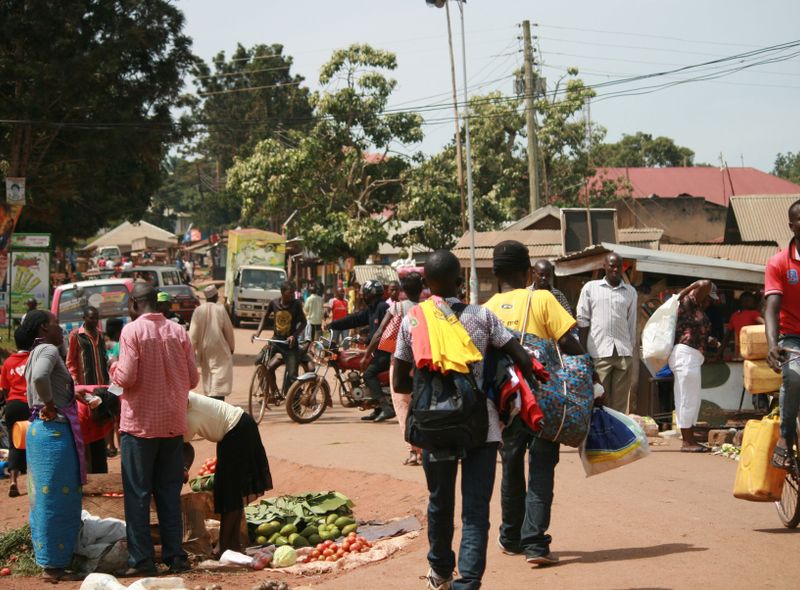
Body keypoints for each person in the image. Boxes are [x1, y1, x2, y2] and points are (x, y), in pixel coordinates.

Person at [393, 250, 536, 590]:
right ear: (461, 283)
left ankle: (440, 571)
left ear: (426, 284)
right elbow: (521, 357)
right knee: (475, 511)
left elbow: (399, 381)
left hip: (434, 425)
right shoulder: (482, 317)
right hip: (480, 425)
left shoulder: (414, 319)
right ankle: (468, 582)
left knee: (440, 503)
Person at [485, 241, 587, 566]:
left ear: (496, 272)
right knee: (542, 467)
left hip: (506, 404)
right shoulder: (541, 298)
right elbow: (570, 343)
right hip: (545, 401)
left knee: (511, 467)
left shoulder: (486, 308)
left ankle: (509, 537)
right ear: (528, 271)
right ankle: (535, 545)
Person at [113, 282, 199, 576]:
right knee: (168, 493)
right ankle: (176, 556)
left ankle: (143, 560)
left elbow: (126, 376)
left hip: (139, 427)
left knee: (138, 494)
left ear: (135, 304)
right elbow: (193, 378)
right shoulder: (178, 331)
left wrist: (113, 366)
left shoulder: (132, 331)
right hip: (172, 426)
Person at [22, 310, 85, 583]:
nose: (61, 329)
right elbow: (39, 378)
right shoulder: (48, 349)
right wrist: (50, 404)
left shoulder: (35, 351)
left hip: (39, 433)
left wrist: (70, 394)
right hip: (53, 434)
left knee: (44, 499)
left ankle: (50, 561)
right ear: (43, 329)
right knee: (57, 499)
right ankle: (54, 566)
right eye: (56, 325)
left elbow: (42, 381)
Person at [183, 392, 272, 554]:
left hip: (237, 430)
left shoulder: (187, 414)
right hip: (235, 430)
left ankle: (225, 546)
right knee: (233, 492)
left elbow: (183, 448)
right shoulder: (187, 401)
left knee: (229, 493)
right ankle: (233, 544)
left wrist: (182, 469)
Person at [364, 272, 424, 463]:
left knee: (402, 406)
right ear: (421, 289)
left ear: (402, 290)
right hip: (422, 362)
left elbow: (381, 332)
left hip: (398, 363)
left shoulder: (396, 308)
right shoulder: (426, 309)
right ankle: (425, 447)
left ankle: (413, 451)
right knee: (421, 404)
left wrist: (367, 355)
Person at [576, 252, 638, 413]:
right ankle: (599, 436)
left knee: (619, 405)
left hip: (623, 353)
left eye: (618, 266)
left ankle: (616, 437)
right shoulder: (591, 288)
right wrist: (583, 354)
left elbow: (631, 323)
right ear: (604, 266)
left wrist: (629, 350)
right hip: (598, 353)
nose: (615, 269)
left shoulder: (630, 292)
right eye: (611, 265)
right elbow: (582, 320)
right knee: (598, 401)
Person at [766, 199, 800, 468]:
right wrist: (771, 344)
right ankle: (786, 438)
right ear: (792, 225)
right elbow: (771, 308)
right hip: (793, 338)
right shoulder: (779, 262)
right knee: (795, 377)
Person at [330, 281, 392, 421]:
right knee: (363, 369)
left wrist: (368, 349)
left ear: (371, 294)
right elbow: (355, 319)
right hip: (378, 350)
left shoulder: (383, 307)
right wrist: (334, 324)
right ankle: (376, 409)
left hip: (386, 352)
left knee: (369, 373)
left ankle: (386, 408)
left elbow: (380, 333)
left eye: (365, 293)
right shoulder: (372, 308)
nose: (363, 296)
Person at [670, 279, 720, 452]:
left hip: (693, 356)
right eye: (708, 298)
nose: (709, 302)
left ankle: (689, 439)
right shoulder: (687, 303)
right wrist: (688, 290)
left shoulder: (696, 311)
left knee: (692, 399)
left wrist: (709, 340)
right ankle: (687, 441)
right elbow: (705, 283)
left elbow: (694, 331)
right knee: (686, 398)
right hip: (685, 355)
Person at [66, 306, 114, 473]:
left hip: (101, 388)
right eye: (91, 318)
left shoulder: (100, 335)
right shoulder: (75, 336)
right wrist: (75, 382)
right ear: (84, 318)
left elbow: (104, 358)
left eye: (96, 318)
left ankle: (102, 464)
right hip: (85, 390)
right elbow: (71, 361)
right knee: (88, 427)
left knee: (102, 422)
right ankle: (89, 470)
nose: (94, 321)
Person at [255, 282, 307, 395]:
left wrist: (294, 335)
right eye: (290, 293)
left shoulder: (296, 304)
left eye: (293, 293)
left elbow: (304, 322)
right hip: (276, 341)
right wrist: (258, 332)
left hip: (290, 345)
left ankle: (295, 403)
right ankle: (274, 392)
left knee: (293, 376)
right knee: (260, 361)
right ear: (283, 293)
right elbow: (265, 317)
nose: (292, 295)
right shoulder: (273, 303)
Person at [189, 285, 235, 402]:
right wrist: (231, 347)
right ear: (215, 296)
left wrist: (190, 352)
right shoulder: (221, 309)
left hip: (204, 350)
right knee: (219, 381)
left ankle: (211, 404)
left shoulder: (198, 310)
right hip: (220, 349)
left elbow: (193, 335)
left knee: (209, 379)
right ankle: (218, 405)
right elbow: (229, 331)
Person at [1, 330, 30, 498]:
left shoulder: (8, 362)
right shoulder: (33, 359)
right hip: (31, 405)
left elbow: (4, 389)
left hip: (13, 405)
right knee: (34, 441)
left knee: (14, 443)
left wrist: (10, 402)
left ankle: (13, 481)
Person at [724, 292, 764, 359]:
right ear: (744, 302)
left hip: (741, 352)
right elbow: (765, 324)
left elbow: (726, 338)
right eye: (752, 301)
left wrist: (718, 354)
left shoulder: (734, 315)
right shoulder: (753, 313)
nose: (754, 303)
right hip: (753, 350)